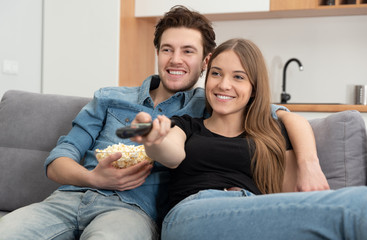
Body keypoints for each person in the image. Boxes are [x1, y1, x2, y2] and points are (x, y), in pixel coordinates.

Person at [0, 6, 327, 240]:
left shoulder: (209, 103)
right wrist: (93, 176)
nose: (176, 59)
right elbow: (58, 160)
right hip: (67, 198)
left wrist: (310, 163)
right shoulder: (110, 96)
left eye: (188, 51)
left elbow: (280, 113)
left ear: (205, 62)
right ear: (157, 53)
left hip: (131, 209)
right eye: (167, 49)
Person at [132, 38, 367, 240]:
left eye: (238, 77)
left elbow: (295, 199)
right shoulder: (187, 126)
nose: (224, 84)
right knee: (357, 206)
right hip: (190, 215)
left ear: (254, 88)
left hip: (251, 213)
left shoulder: (271, 136)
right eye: (216, 73)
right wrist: (153, 140)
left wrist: (309, 165)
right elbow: (172, 154)